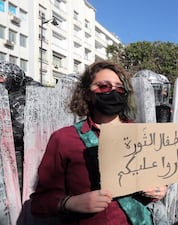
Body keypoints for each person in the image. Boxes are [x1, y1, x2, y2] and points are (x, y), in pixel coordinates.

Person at [30, 60, 169, 225]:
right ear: (87, 93)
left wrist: (159, 189)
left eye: (119, 88)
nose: (113, 91)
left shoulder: (142, 135)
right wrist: (70, 203)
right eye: (103, 86)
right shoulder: (64, 138)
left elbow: (155, 180)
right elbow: (40, 202)